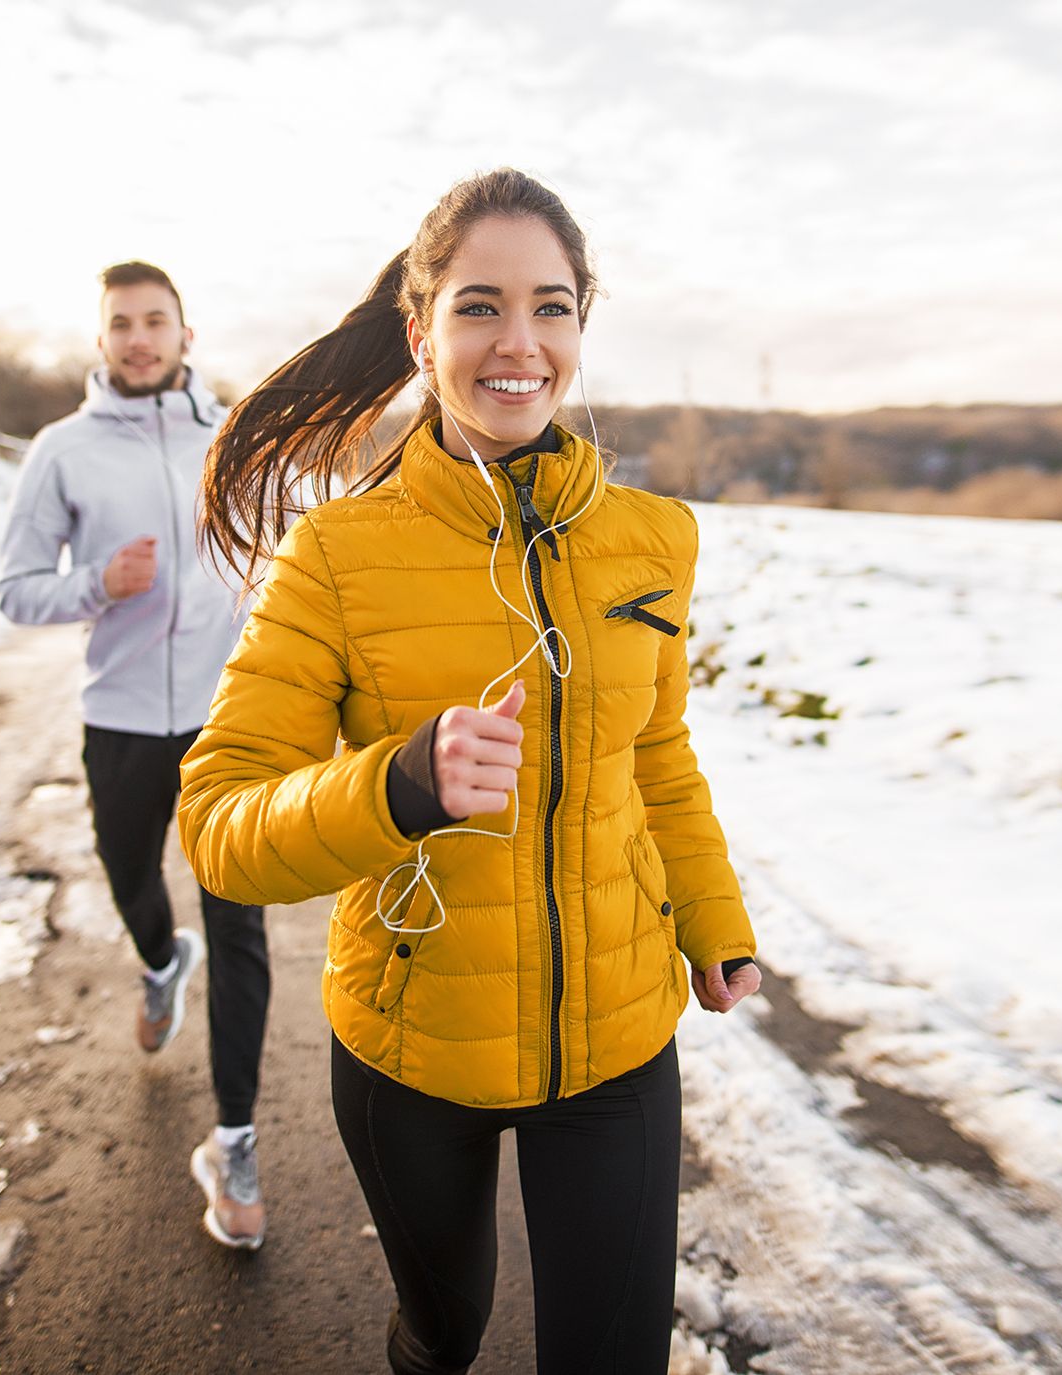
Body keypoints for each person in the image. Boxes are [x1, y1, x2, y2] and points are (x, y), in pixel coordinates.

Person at [177, 169, 762, 1373]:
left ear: (580, 328)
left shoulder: (654, 539)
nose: (519, 343)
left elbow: (656, 752)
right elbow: (220, 822)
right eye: (479, 305)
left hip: (615, 1041)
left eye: (551, 307)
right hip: (414, 1047)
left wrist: (712, 915)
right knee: (445, 1332)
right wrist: (397, 782)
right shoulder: (334, 555)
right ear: (420, 330)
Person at [0, 260, 272, 1251]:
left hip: (226, 724)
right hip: (117, 717)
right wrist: (98, 584)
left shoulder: (233, 439)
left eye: (156, 321)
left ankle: (235, 1143)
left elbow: (271, 555)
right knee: (131, 883)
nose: (140, 338)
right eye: (122, 323)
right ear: (103, 340)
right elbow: (17, 588)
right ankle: (160, 963)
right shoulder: (61, 453)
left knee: (241, 927)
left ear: (186, 335)